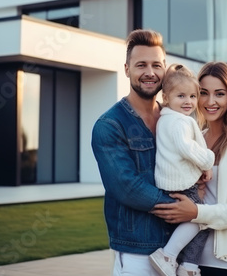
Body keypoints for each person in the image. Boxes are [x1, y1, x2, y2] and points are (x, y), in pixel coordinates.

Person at [151, 61, 227, 276]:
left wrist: (197, 212)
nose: (210, 101)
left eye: (219, 94)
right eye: (203, 93)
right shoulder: (195, 139)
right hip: (188, 263)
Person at [91, 29, 176, 275]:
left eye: (156, 65)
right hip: (137, 250)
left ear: (165, 69)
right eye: (141, 65)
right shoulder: (109, 125)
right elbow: (127, 187)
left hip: (177, 248)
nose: (150, 73)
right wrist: (183, 209)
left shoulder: (175, 118)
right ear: (127, 69)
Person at [149, 64, 215, 276]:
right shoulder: (180, 122)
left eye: (193, 96)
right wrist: (207, 161)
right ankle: (168, 255)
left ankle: (188, 267)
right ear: (166, 97)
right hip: (182, 183)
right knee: (203, 218)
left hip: (171, 181)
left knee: (199, 224)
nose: (188, 102)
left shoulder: (166, 118)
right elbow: (187, 148)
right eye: (181, 96)